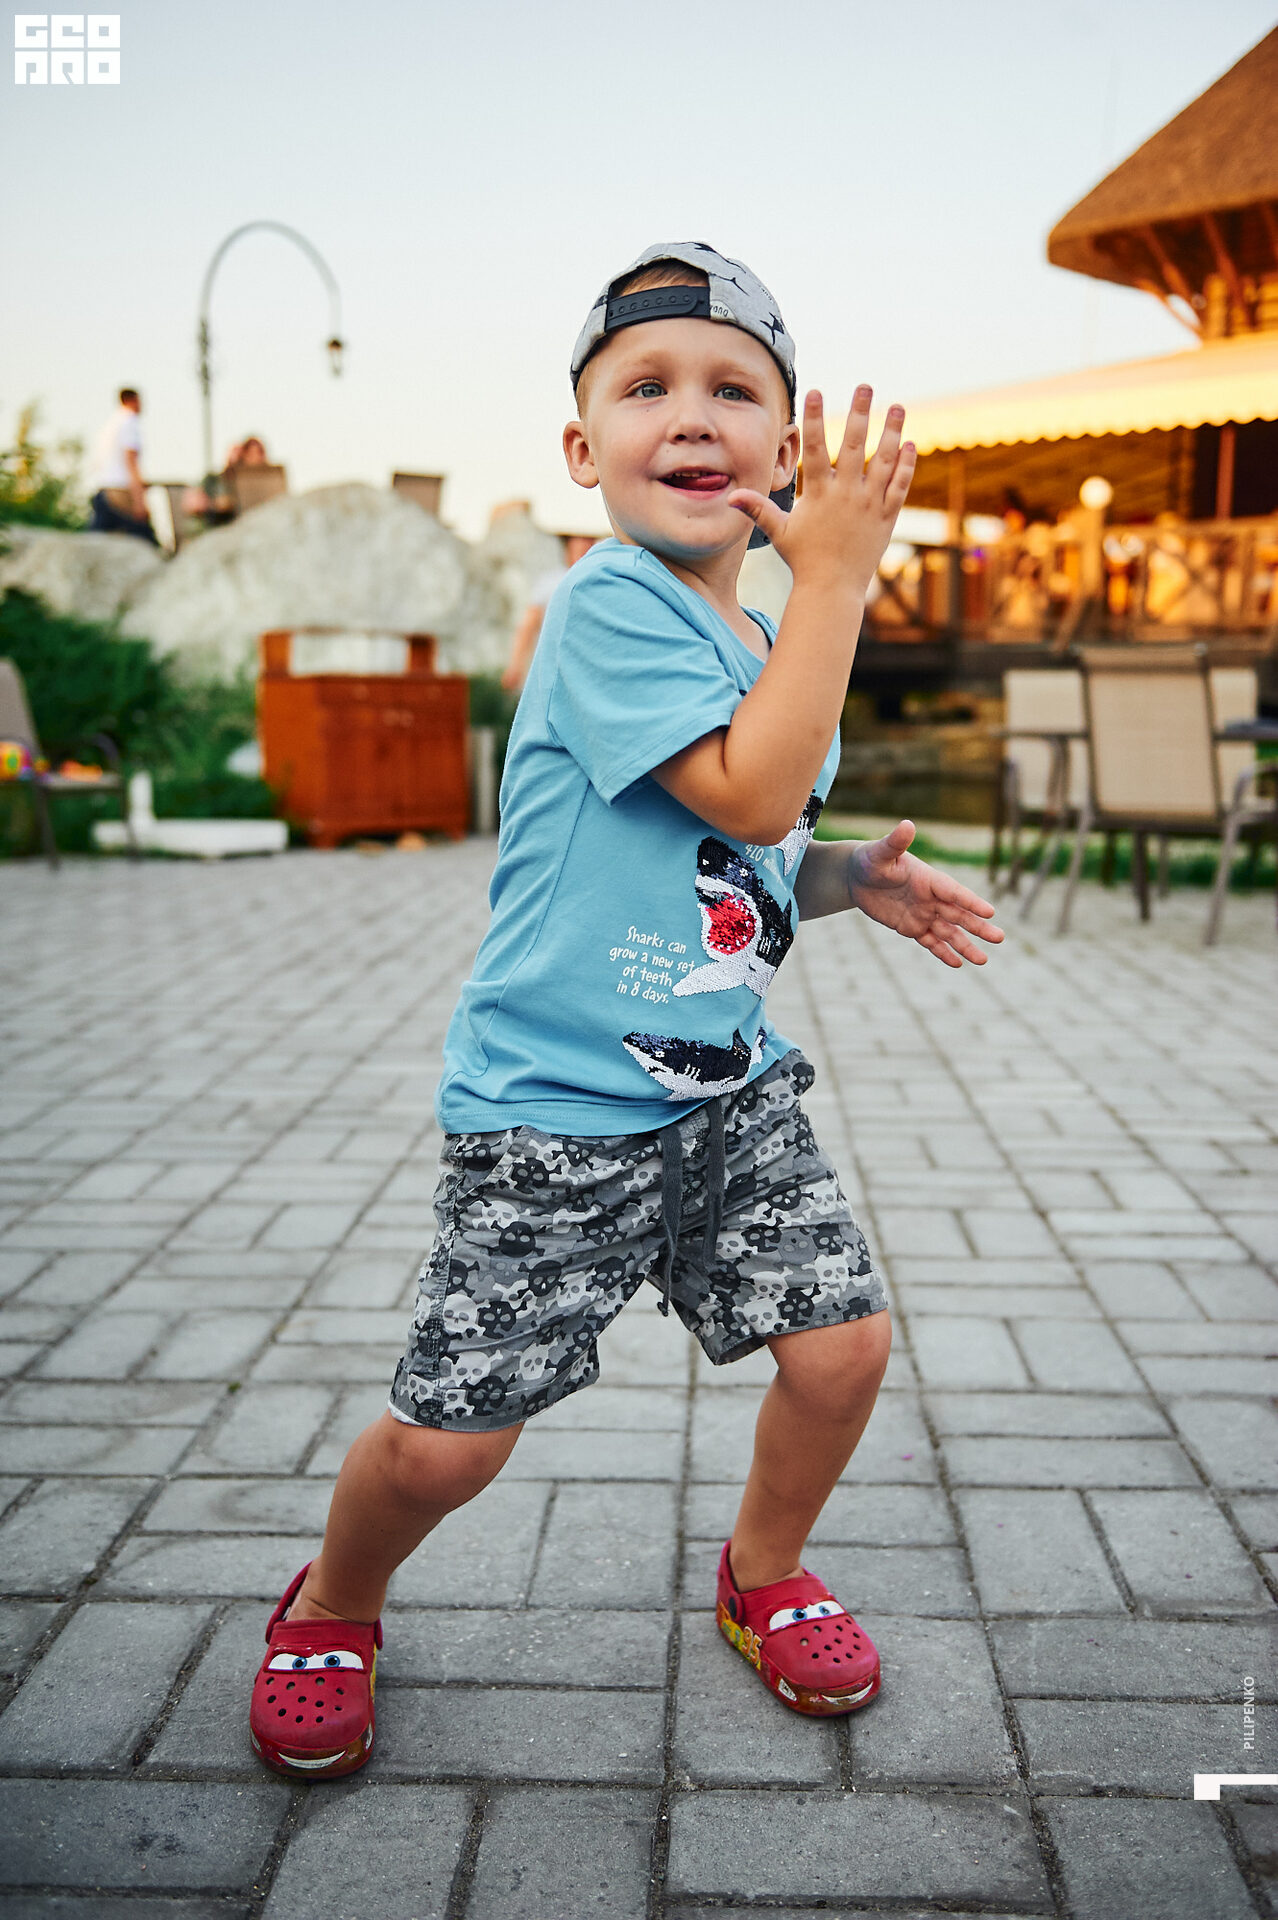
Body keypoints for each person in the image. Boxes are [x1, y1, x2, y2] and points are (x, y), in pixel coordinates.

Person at [247, 242, 1004, 1780]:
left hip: (724, 1094)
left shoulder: (762, 643)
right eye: (646, 388)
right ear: (582, 450)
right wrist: (838, 580)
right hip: (552, 1114)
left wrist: (845, 878)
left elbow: (748, 839)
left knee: (843, 1352)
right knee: (449, 1444)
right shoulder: (605, 604)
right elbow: (752, 785)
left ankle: (762, 1571)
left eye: (734, 390)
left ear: (784, 450)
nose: (692, 415)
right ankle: (332, 1600)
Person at [502, 532, 598, 692]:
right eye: (580, 544)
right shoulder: (550, 582)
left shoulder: (599, 581)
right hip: (553, 669)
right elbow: (529, 625)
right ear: (568, 548)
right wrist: (516, 664)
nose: (585, 548)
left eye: (589, 543)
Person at [86, 388, 157, 542]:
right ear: (132, 401)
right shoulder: (129, 422)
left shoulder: (110, 425)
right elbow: (130, 461)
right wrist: (139, 501)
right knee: (145, 542)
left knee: (95, 544)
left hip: (103, 491)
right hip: (120, 491)